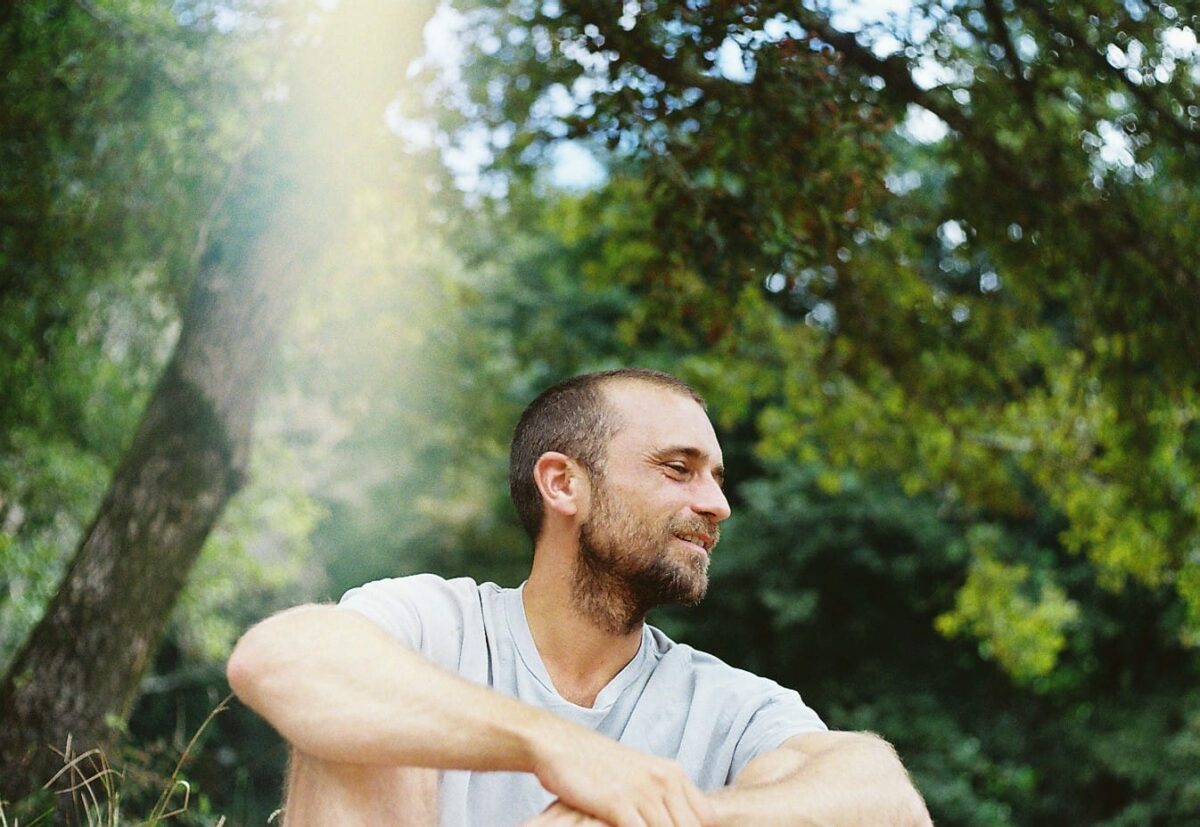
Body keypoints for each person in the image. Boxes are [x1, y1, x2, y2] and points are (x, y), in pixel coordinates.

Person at [227, 368, 932, 826]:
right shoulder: (435, 622)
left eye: (716, 478)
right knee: (357, 724)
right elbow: (277, 659)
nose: (716, 503)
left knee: (786, 793)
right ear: (563, 483)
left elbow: (891, 803)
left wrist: (670, 815)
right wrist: (554, 745)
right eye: (678, 469)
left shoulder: (725, 703)